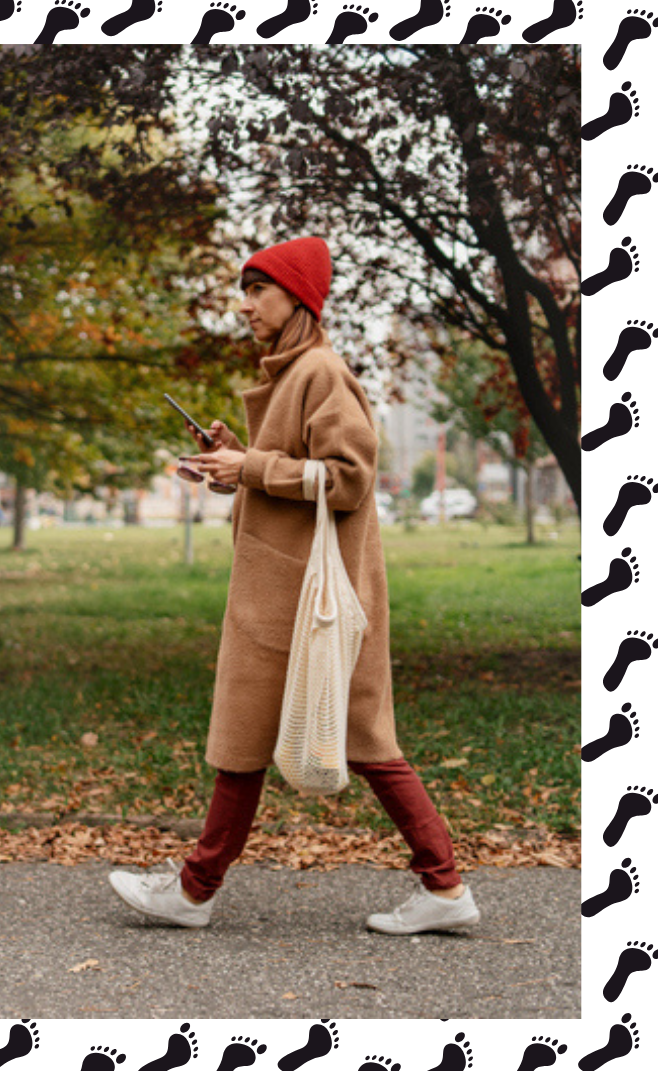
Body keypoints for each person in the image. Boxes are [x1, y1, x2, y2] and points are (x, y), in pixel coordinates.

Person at [107, 236, 479, 935]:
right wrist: (233, 457)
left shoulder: (321, 370)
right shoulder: (293, 373)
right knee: (254, 740)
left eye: (258, 290)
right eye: (245, 291)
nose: (245, 306)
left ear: (297, 299)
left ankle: (197, 893)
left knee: (357, 741)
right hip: (287, 591)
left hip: (313, 597)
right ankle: (199, 889)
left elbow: (348, 481)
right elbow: (291, 469)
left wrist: (249, 467)